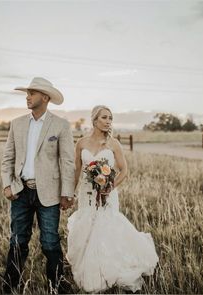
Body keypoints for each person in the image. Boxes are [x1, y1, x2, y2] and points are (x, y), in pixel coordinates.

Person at [66, 105, 159, 293]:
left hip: (107, 195)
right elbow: (77, 171)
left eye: (110, 118)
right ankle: (90, 268)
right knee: (88, 227)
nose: (108, 121)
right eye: (104, 117)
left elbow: (125, 170)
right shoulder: (81, 143)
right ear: (94, 120)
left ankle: (108, 270)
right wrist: (70, 193)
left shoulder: (113, 144)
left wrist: (110, 186)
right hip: (87, 195)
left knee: (105, 228)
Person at [1, 77, 75, 293]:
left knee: (50, 242)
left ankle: (57, 286)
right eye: (27, 93)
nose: (27, 96)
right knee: (17, 240)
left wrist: (66, 193)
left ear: (45, 97)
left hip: (49, 194)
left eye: (31, 93)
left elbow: (67, 161)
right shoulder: (17, 124)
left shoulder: (61, 125)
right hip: (20, 191)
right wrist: (7, 185)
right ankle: (9, 286)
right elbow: (8, 158)